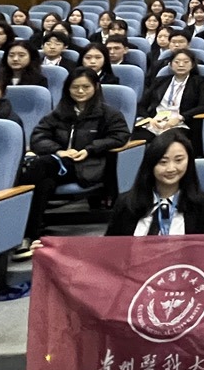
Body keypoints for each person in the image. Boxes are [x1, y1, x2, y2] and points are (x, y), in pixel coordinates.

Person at [21, 68, 131, 242]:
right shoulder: (59, 113)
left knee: (38, 166)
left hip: (90, 164)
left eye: (85, 87)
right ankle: (31, 235)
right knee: (44, 183)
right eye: (75, 87)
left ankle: (15, 226)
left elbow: (120, 136)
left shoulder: (109, 114)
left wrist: (89, 149)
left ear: (96, 87)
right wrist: (59, 151)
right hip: (59, 164)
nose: (80, 91)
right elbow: (38, 137)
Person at [104, 131, 204, 236]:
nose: (171, 168)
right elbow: (112, 246)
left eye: (179, 160)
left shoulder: (203, 205)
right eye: (163, 162)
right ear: (151, 164)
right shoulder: (126, 203)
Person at [134, 49, 204, 147]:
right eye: (177, 62)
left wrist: (181, 117)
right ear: (170, 65)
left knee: (165, 142)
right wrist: (149, 119)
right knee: (133, 140)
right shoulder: (160, 81)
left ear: (192, 65)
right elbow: (141, 105)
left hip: (180, 124)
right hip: (155, 122)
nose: (181, 65)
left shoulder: (198, 81)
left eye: (186, 62)